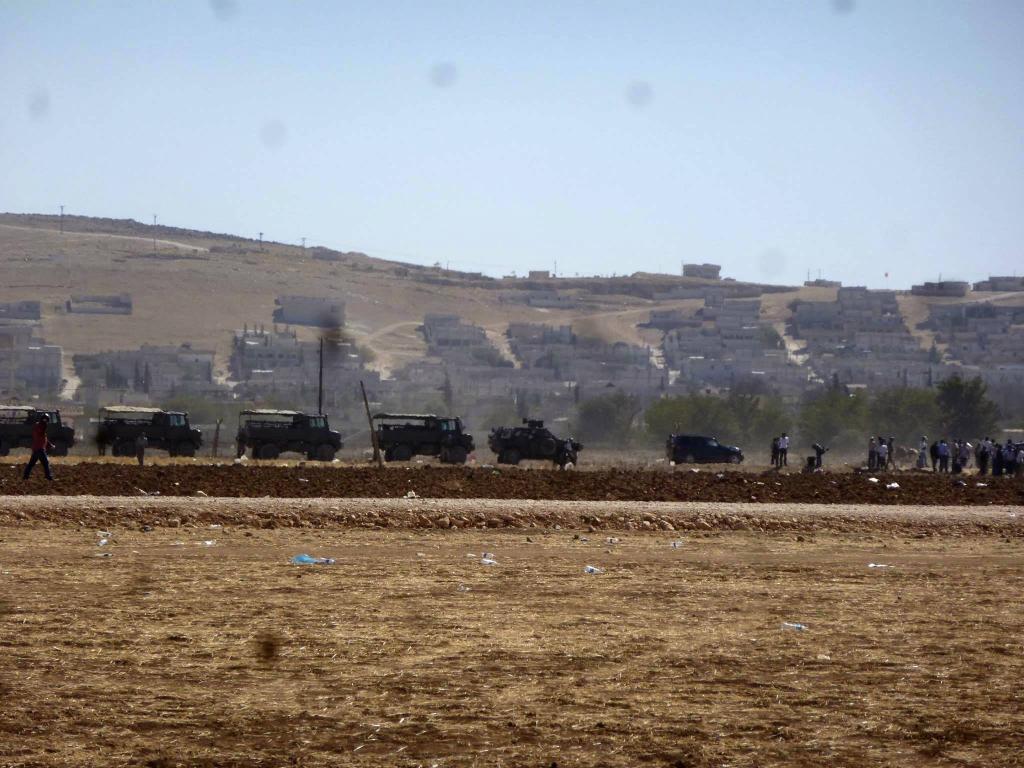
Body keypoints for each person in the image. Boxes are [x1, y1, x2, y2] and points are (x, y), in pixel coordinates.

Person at [22, 413, 55, 481]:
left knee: (31, 464)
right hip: (40, 449)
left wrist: (50, 445)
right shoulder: (41, 426)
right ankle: (48, 477)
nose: (46, 422)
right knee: (46, 463)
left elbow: (44, 438)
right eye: (46, 420)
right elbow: (41, 434)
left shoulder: (38, 426)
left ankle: (25, 477)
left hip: (36, 448)